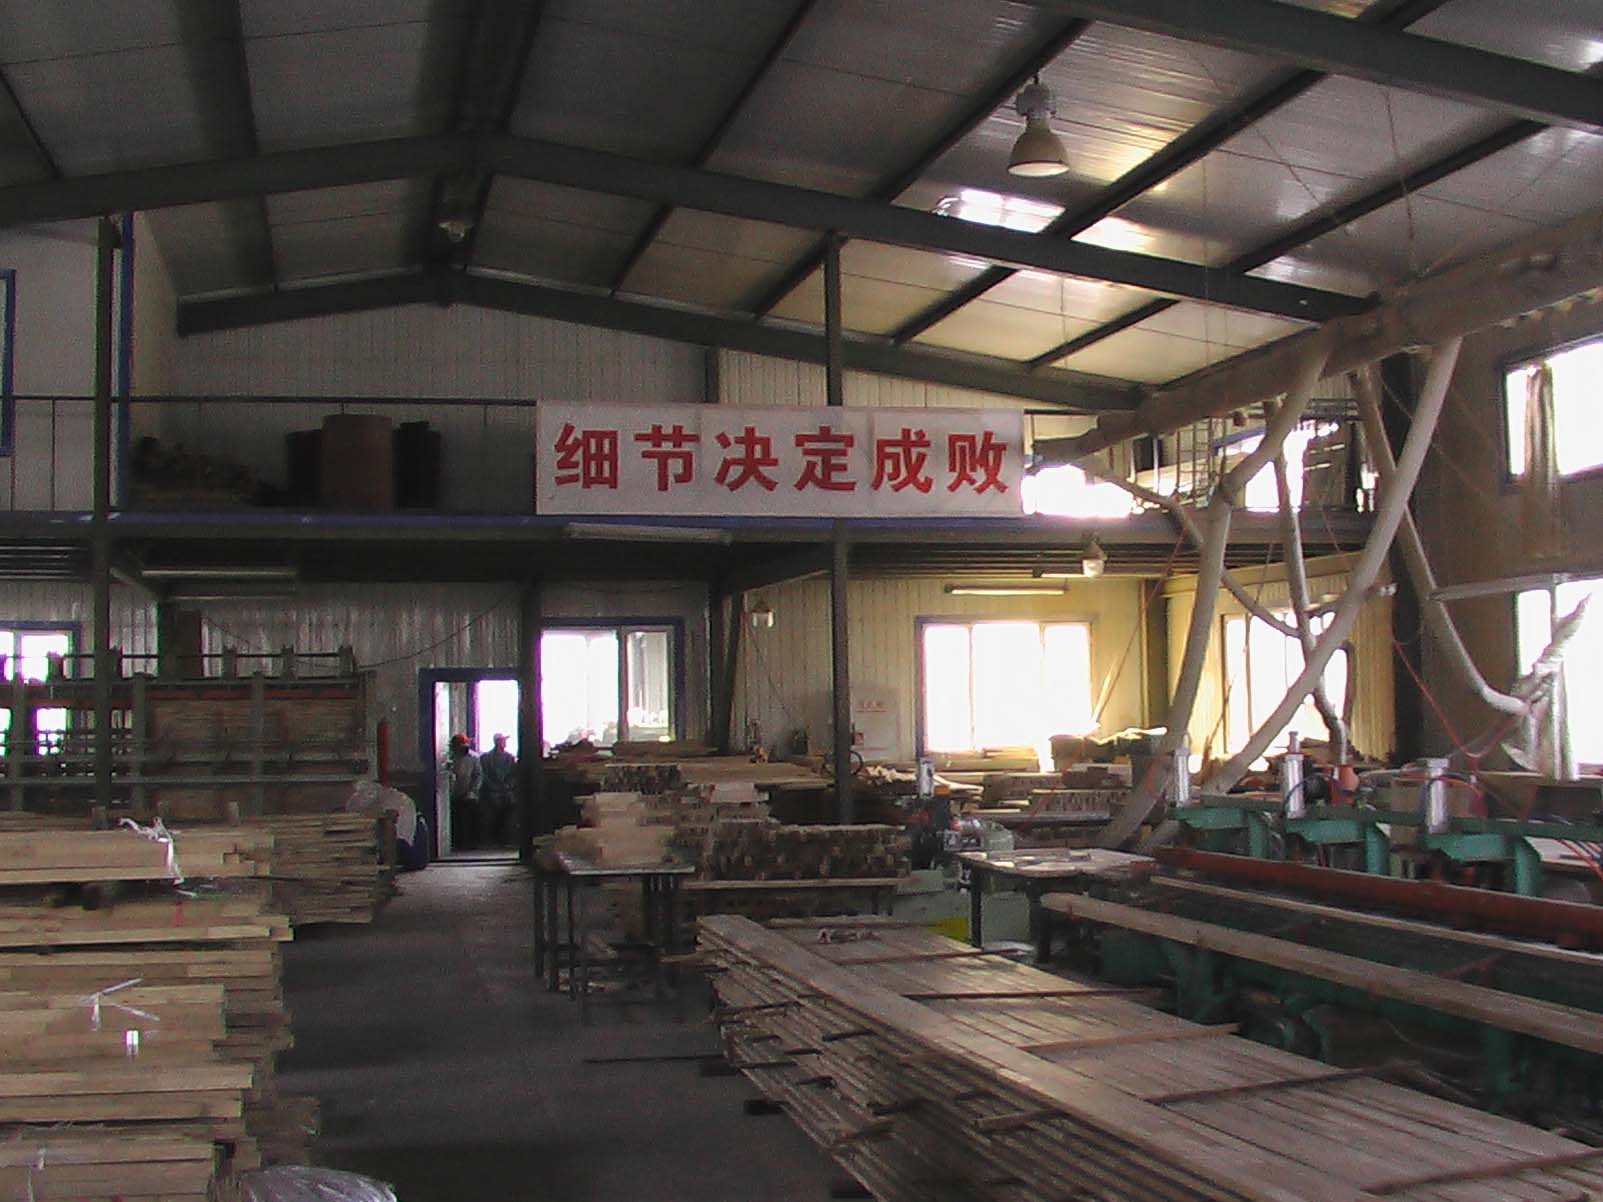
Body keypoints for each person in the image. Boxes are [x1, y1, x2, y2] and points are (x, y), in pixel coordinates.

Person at [480, 733, 518, 848]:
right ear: (496, 742)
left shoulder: (510, 758)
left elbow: (513, 774)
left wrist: (508, 786)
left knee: (507, 817)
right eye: (502, 740)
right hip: (491, 792)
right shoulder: (485, 758)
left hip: (507, 792)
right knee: (492, 817)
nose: (504, 743)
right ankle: (492, 840)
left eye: (504, 741)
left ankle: (504, 840)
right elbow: (483, 774)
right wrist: (493, 787)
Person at [447, 733, 482, 851]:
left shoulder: (473, 758)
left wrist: (473, 791)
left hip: (470, 793)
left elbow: (478, 775)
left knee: (471, 820)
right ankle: (457, 844)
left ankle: (472, 843)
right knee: (456, 820)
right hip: (454, 793)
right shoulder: (451, 757)